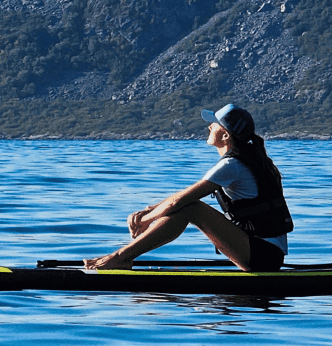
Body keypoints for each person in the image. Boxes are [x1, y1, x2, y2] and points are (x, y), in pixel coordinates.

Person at [84, 104, 293, 271]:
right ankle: (122, 257)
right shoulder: (244, 160)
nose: (209, 126)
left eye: (215, 123)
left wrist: (146, 221)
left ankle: (120, 257)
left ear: (226, 136)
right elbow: (180, 197)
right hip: (265, 254)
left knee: (192, 208)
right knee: (189, 206)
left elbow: (180, 201)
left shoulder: (233, 165)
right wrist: (149, 210)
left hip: (264, 256)